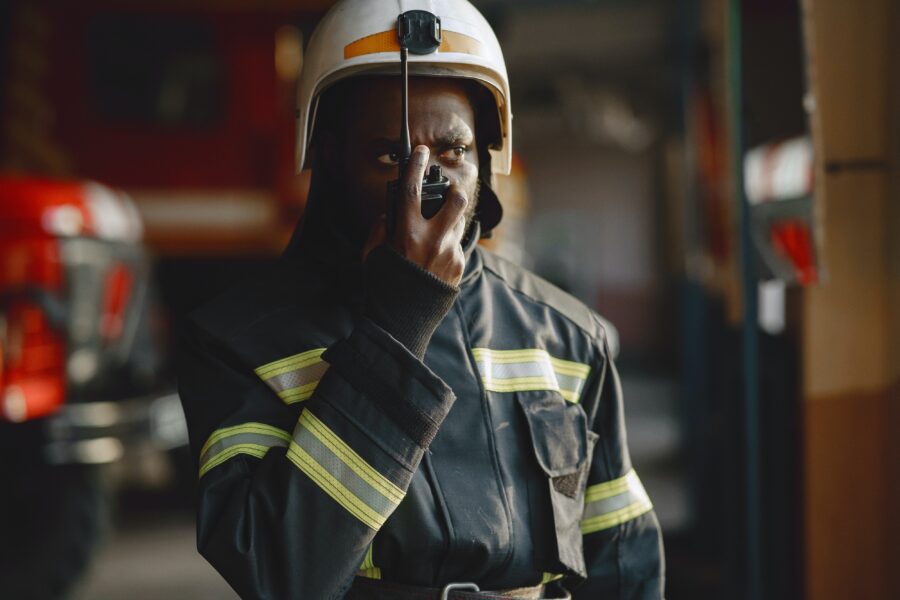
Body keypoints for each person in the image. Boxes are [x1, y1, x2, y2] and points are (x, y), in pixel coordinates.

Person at [178, 1, 664, 598]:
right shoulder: (237, 342)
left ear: (487, 158)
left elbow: (623, 560)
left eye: (453, 151)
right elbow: (280, 574)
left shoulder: (567, 335)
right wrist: (398, 326)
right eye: (390, 155)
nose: (427, 181)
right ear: (327, 161)